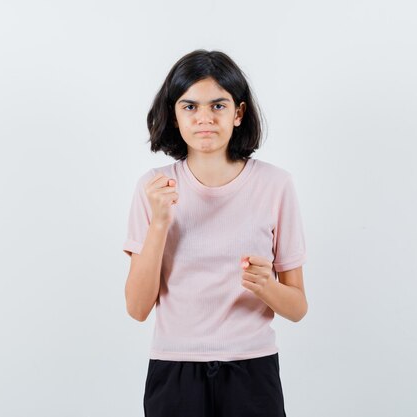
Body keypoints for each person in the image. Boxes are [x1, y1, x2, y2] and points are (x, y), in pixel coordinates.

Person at [123, 49, 308, 417]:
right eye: (189, 107)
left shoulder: (276, 185)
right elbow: (137, 308)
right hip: (174, 369)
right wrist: (160, 223)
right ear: (173, 115)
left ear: (238, 113)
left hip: (252, 370)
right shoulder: (154, 187)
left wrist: (265, 286)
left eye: (218, 106)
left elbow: (298, 307)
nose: (204, 118)